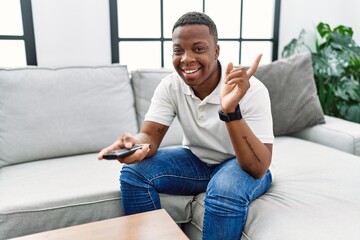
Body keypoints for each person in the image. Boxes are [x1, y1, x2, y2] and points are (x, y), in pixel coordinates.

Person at [98, 11, 274, 240]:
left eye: (198, 49)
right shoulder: (170, 86)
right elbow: (150, 135)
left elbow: (258, 167)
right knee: (133, 173)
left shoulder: (252, 90)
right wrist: (135, 144)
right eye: (178, 50)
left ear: (216, 51)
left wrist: (230, 111)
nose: (186, 59)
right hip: (197, 161)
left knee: (224, 190)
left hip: (239, 164)